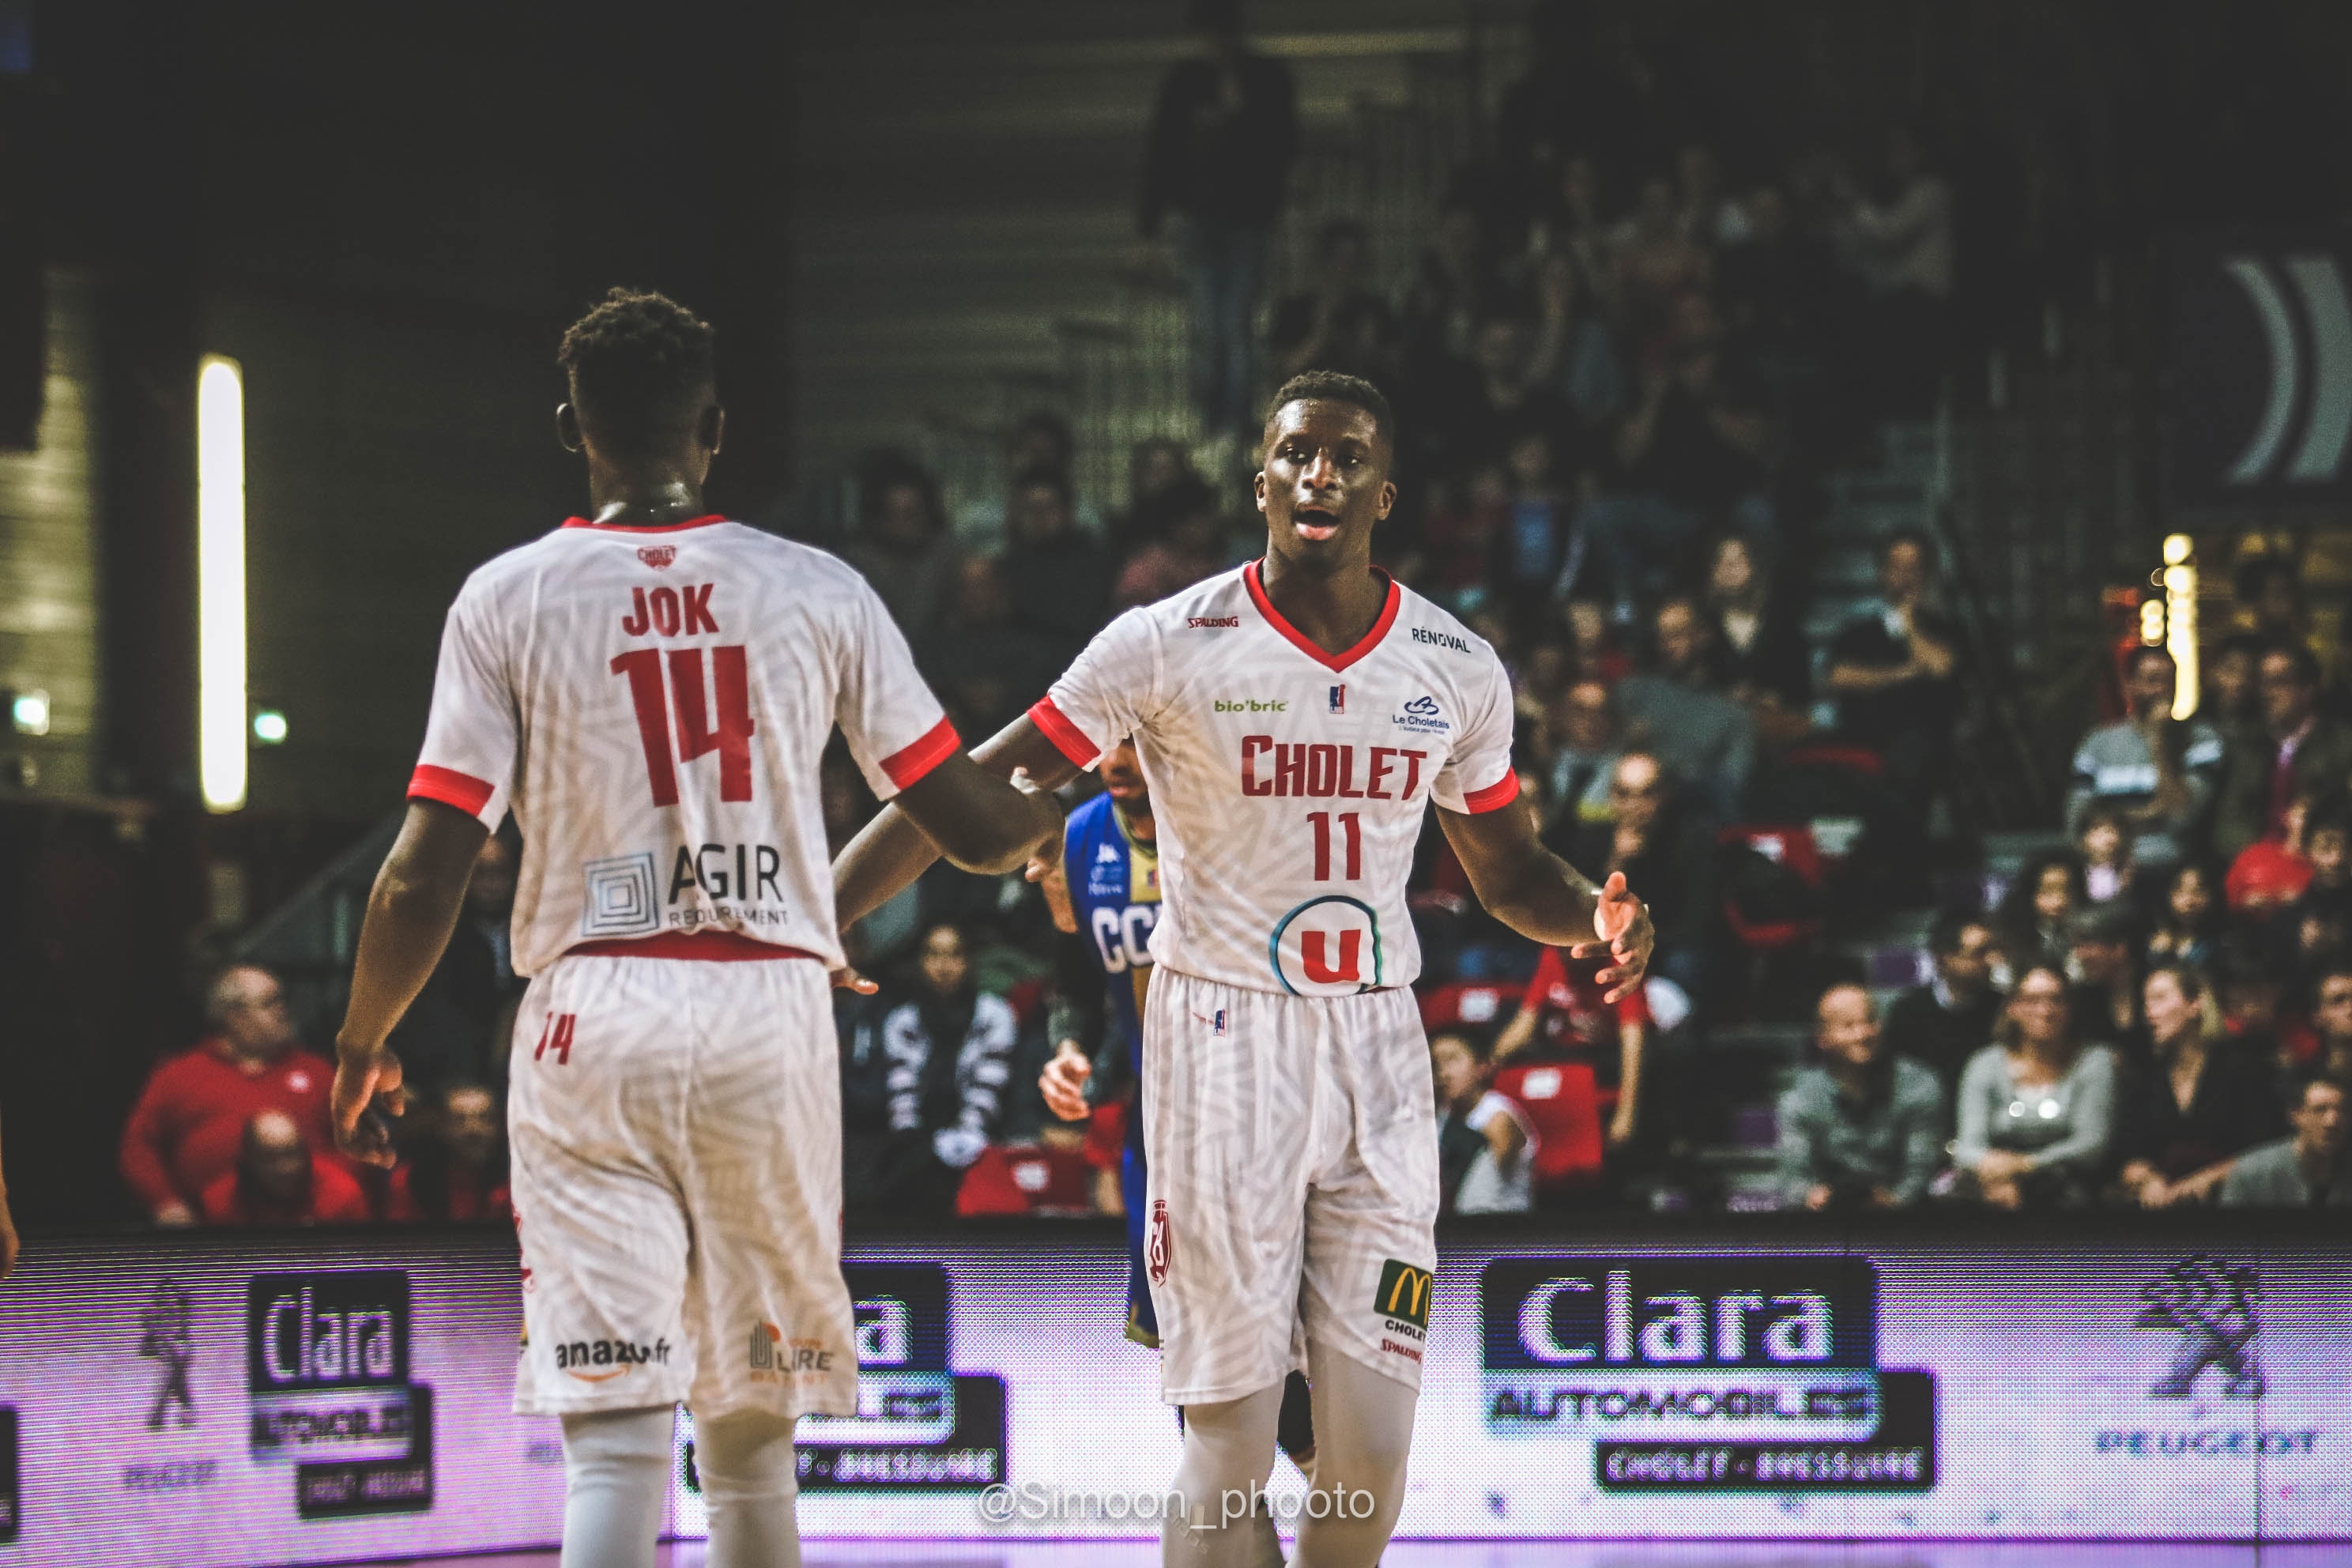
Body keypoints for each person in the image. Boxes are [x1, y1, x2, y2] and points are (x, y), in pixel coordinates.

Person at [834, 369, 1653, 1567]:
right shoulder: (1165, 643)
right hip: (1220, 1038)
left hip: (1378, 1046)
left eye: (1347, 458)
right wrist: (822, 909)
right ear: (1261, 479)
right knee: (1229, 1440)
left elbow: (1515, 873)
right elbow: (980, 787)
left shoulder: (1453, 663)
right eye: (1296, 455)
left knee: (1368, 1455)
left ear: (1385, 491)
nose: (1319, 475)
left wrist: (1600, 921)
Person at [324, 288, 1062, 1568]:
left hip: (588, 1009)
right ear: (714, 430)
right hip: (764, 1014)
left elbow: (417, 876)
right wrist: (1058, 812)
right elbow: (973, 828)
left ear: (572, 425)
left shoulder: (506, 596)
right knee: (751, 1432)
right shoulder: (817, 586)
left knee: (613, 1438)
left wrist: (360, 1039)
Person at [1035, 739, 1320, 1553]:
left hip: (1262, 1117)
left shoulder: (1235, 817)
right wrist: (1069, 1047)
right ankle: (1248, 1538)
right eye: (1107, 740)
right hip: (1157, 1133)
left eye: (1135, 738)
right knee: (1196, 1376)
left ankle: (1342, 1499)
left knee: (1286, 1358)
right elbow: (1077, 976)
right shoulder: (1083, 834)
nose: (1116, 757)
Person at [1139, 0, 1298, 443]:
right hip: (1198, 219)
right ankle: (1213, 421)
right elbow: (1162, 151)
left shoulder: (1266, 79)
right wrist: (1150, 227)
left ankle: (1235, 420)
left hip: (1246, 219)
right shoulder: (1185, 82)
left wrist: (1239, 116)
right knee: (1209, 326)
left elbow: (1282, 146)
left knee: (1235, 324)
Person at [119, 963, 338, 1227]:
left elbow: (355, 1145)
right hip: (208, 1233)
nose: (283, 1010)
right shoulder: (178, 1075)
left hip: (308, 1231)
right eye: (270, 1003)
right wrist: (165, 1204)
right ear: (234, 1016)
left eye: (282, 1000)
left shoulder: (318, 1071)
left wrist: (336, 1204)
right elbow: (138, 1147)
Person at [1951, 963, 2120, 1208]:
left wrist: (2025, 1165)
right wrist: (1996, 1174)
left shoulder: (2095, 1061)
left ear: (2070, 1008)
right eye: (2032, 1000)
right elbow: (1968, 1147)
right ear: (2013, 1007)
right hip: (1994, 1188)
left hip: (2072, 1192)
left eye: (2056, 1000)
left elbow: (2091, 1145)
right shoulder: (1984, 1064)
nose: (2045, 1010)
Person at [2113, 966, 2279, 1208]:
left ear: (2194, 1004)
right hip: (2163, 1211)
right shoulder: (2146, 1076)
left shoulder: (2240, 1069)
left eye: (2159, 999)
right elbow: (2128, 1154)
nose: (2149, 1013)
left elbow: (2266, 1152)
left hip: (2234, 1207)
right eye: (2146, 1002)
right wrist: (2148, 1180)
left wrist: (2207, 1180)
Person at [1773, 984, 1946, 1210]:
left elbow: (1920, 1172)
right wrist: (1814, 1197)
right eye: (1848, 1025)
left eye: (1870, 1021)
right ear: (1823, 1038)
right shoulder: (1800, 1099)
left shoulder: (1920, 1085)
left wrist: (1894, 1202)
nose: (1862, 1034)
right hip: (1825, 1225)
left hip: (1905, 1225)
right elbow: (1794, 1180)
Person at [1824, 529, 1962, 804]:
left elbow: (1940, 667)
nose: (1904, 576)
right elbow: (1838, 677)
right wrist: (1905, 672)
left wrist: (1910, 625)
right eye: (1896, 566)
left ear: (1925, 574)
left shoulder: (1944, 630)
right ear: (1882, 572)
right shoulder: (1858, 633)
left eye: (1913, 568)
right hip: (1864, 735)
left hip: (1921, 742)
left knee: (1916, 747)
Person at [387, 831, 526, 1095]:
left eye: (500, 872)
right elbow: (439, 1008)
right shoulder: (438, 934)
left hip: (514, 1053)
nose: (492, 884)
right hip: (453, 1062)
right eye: (482, 873)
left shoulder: (530, 929)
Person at [2066, 645, 2225, 873]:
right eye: (2152, 680)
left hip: (2172, 871)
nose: (2162, 689)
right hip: (2109, 870)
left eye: (2169, 681)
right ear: (2129, 686)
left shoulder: (2201, 739)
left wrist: (2157, 741)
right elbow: (2078, 821)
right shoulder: (2097, 745)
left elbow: (2182, 817)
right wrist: (2151, 812)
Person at [1491, 944, 1648, 1155]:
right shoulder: (1552, 954)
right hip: (1565, 1054)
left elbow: (1633, 1044)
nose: (1563, 954)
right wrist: (1487, 1063)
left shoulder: (1622, 962)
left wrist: (1627, 1114)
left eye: (1570, 948)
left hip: (1607, 1057)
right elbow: (1524, 1025)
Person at [1614, 595, 1755, 821]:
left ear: (1703, 636)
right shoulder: (1632, 694)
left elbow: (1732, 788)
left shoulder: (1732, 714)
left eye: (1677, 634)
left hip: (1695, 821)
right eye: (1662, 636)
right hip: (1627, 812)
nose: (1667, 645)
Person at [2214, 643, 2352, 859]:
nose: (2268, 694)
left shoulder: (2340, 744)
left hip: (2319, 865)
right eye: (2263, 683)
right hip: (2254, 866)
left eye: (2278, 683)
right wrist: (2257, 858)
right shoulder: (2246, 744)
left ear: (2307, 689)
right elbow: (2229, 820)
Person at [1881, 910, 2003, 1100]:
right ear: (1944, 959)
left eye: (1992, 950)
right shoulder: (1908, 1014)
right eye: (1979, 953)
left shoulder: (2003, 1008)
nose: (1992, 960)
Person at [199, 1109, 373, 1227]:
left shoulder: (343, 1195)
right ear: (247, 1161)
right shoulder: (220, 1203)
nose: (284, 1168)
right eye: (270, 1158)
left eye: (292, 1154)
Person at [1431, 1028, 1536, 1213]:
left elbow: (1479, 1191)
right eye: (1435, 1064)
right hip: (1454, 1227)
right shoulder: (1439, 1116)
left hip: (1500, 1226)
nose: (1443, 1073)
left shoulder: (1499, 1116)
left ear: (1482, 1066)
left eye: (1452, 1060)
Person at [2218, 1071, 2350, 1207]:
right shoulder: (2252, 1174)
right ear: (2296, 1114)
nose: (2332, 1122)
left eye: (2342, 1111)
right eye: (2320, 1110)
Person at [387, 1082, 512, 1223]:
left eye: (485, 1118)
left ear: (499, 1127)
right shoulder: (410, 1177)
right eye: (459, 1120)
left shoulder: (515, 1179)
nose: (473, 1129)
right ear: (442, 1127)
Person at [2144, 861, 2223, 974]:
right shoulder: (2155, 941)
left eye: (2198, 891)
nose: (2189, 901)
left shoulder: (2220, 945)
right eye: (2181, 891)